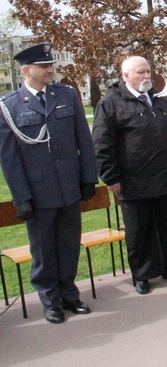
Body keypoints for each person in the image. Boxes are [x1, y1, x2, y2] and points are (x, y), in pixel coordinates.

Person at [0, 43, 97, 324]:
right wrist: (22, 197)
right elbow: (9, 158)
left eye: (50, 65)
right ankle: (50, 299)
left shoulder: (66, 96)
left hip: (69, 187)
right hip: (38, 191)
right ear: (26, 70)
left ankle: (69, 293)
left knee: (69, 244)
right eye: (43, 67)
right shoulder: (10, 106)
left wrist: (88, 178)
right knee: (43, 250)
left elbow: (84, 141)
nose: (49, 70)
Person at [92, 56, 167, 295]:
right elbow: (102, 144)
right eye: (140, 72)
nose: (146, 76)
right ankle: (143, 275)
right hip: (134, 180)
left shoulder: (158, 99)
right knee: (139, 231)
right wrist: (111, 177)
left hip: (165, 177)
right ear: (126, 76)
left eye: (148, 71)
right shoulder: (111, 103)